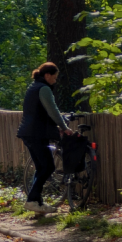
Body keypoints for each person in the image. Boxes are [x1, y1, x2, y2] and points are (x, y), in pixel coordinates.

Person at [17, 62, 72, 214]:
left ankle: (37, 203)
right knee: (48, 167)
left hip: (28, 132)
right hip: (36, 134)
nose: (55, 80)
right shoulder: (44, 89)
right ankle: (32, 200)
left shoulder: (33, 87)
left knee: (42, 167)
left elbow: (39, 112)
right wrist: (64, 127)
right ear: (47, 75)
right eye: (54, 77)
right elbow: (52, 111)